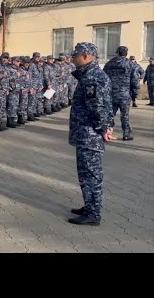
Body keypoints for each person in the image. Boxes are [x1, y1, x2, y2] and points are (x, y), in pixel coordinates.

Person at [68, 42, 115, 226]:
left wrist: (103, 128)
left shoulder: (92, 77)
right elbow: (107, 105)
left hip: (90, 134)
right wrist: (107, 125)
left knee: (91, 174)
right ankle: (89, 205)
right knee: (86, 173)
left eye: (76, 55)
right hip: (86, 133)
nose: (73, 58)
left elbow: (97, 107)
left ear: (86, 56)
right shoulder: (90, 74)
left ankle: (93, 213)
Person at [103, 46, 139, 141]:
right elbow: (135, 81)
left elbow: (103, 78)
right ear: (126, 53)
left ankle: (107, 133)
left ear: (117, 52)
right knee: (125, 115)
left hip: (111, 94)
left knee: (110, 114)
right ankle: (126, 134)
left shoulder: (109, 63)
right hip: (125, 94)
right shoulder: (130, 64)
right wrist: (135, 95)